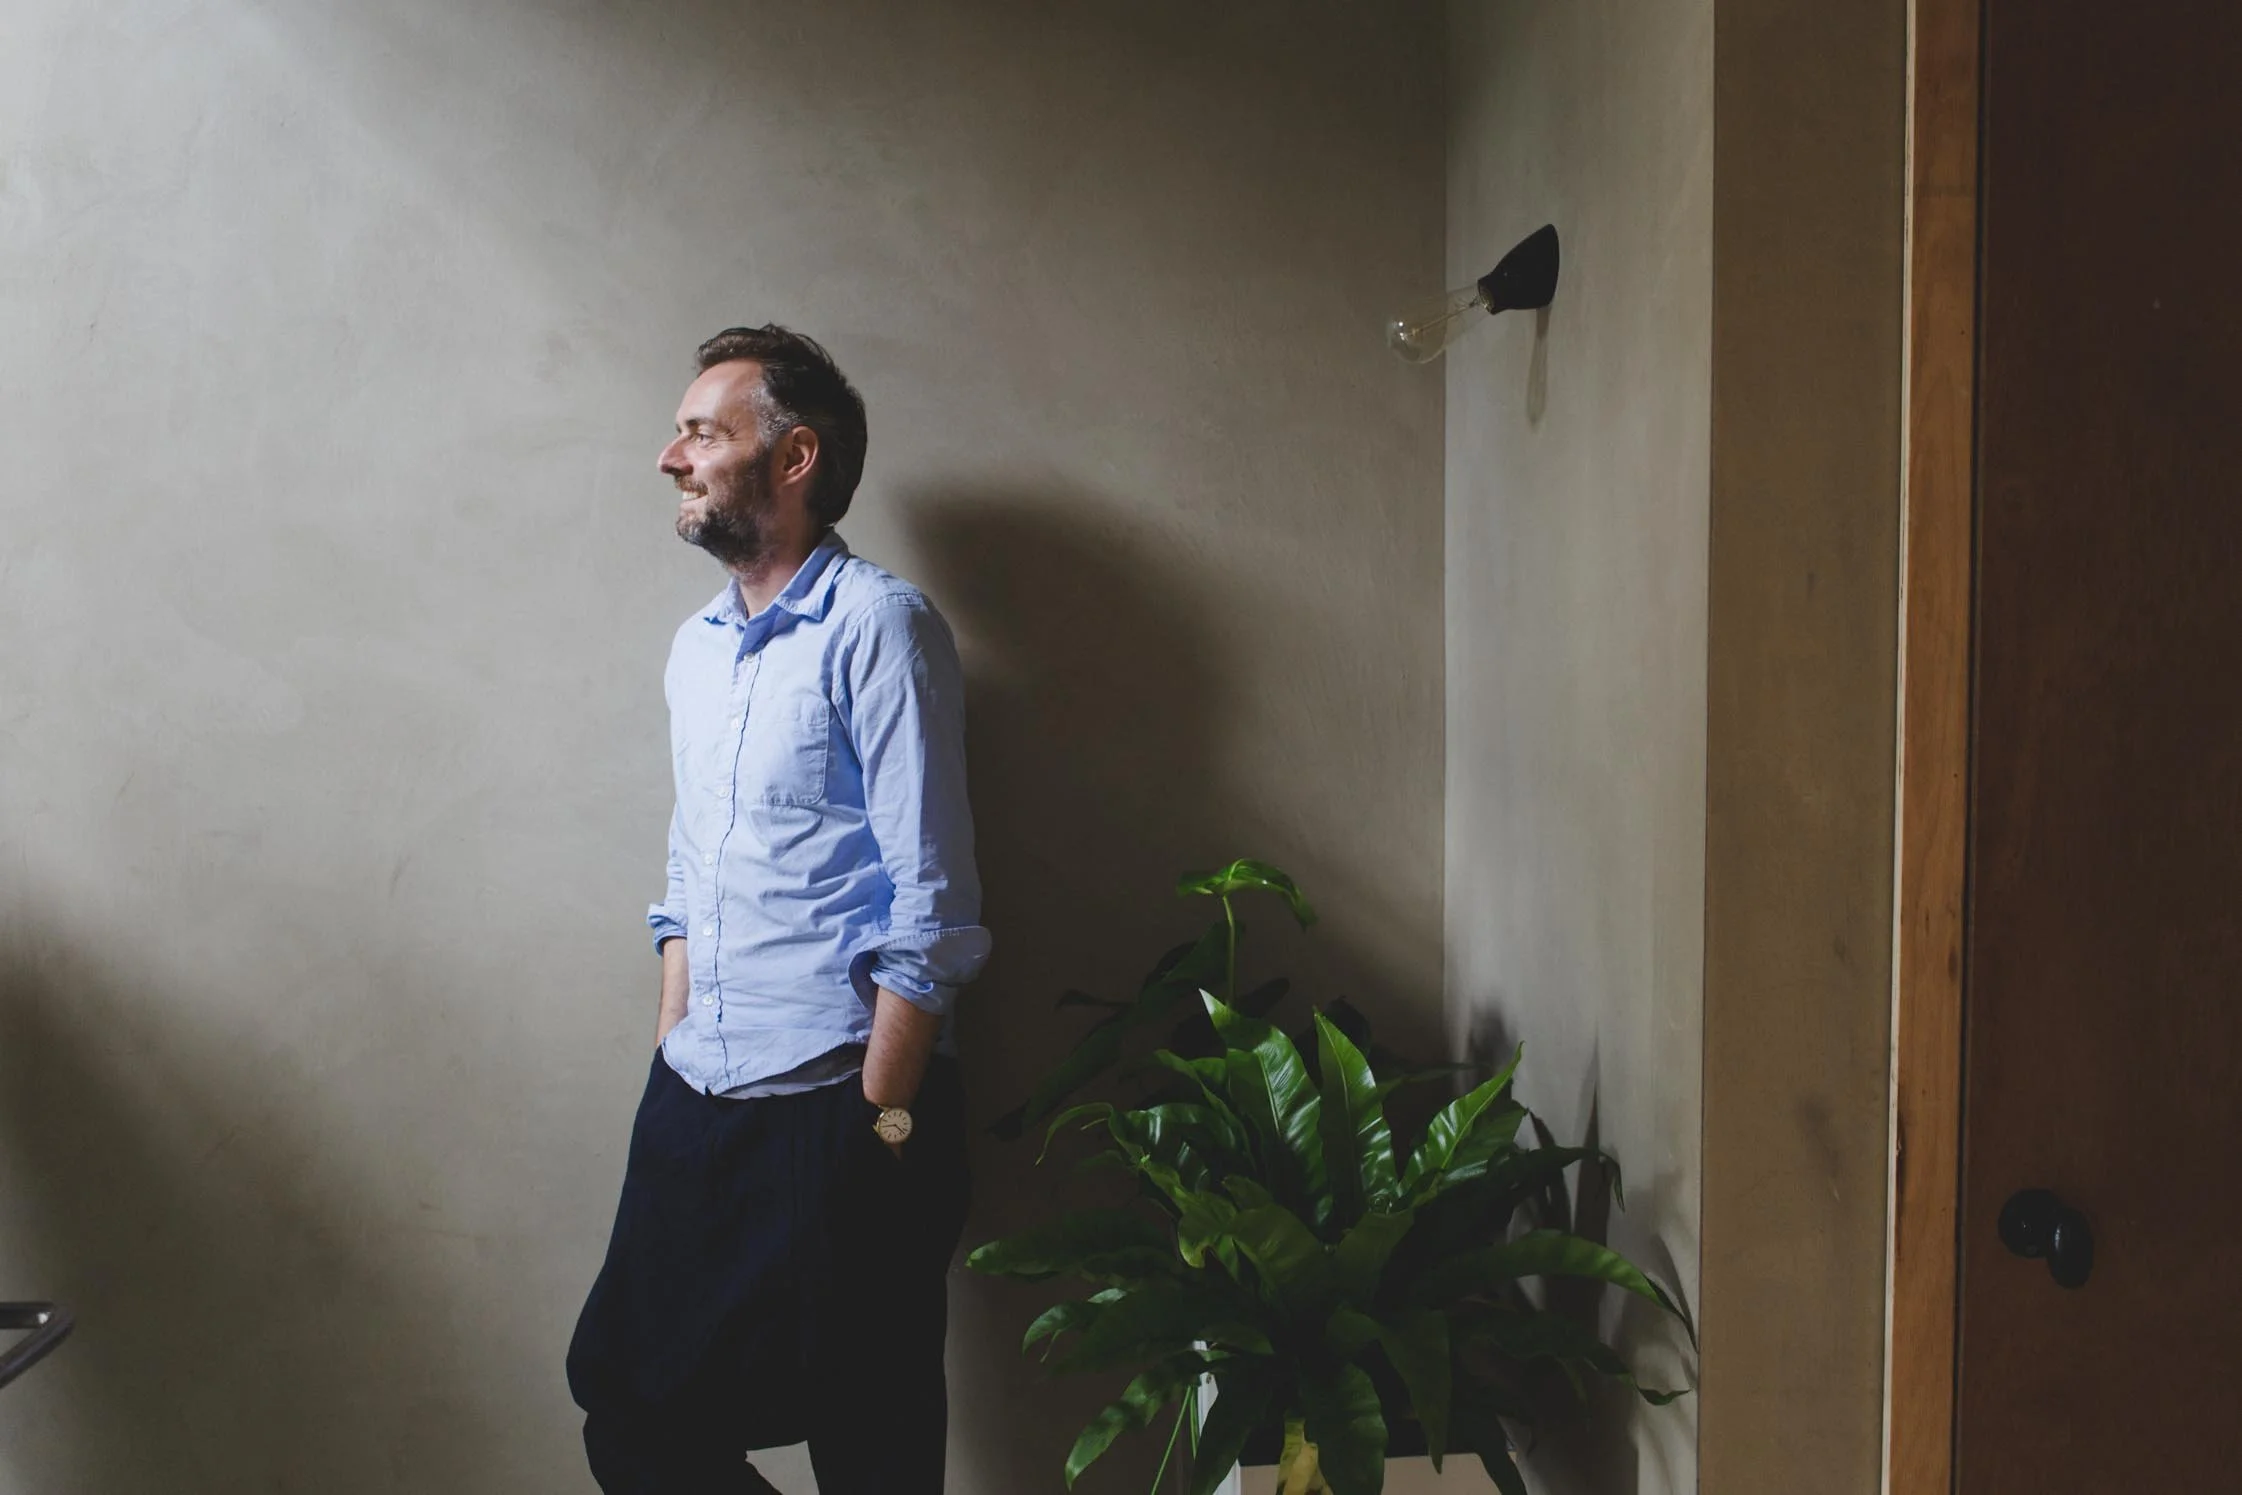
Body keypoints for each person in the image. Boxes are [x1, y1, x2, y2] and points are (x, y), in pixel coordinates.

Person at [566, 325, 989, 1494]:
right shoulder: (696, 650)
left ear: (793, 457)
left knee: (871, 1446)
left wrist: (880, 1119)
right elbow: (688, 872)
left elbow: (935, 902)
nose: (671, 457)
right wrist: (672, 1044)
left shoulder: (881, 626)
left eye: (702, 433)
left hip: (843, 1102)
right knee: (633, 1414)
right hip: (698, 1097)